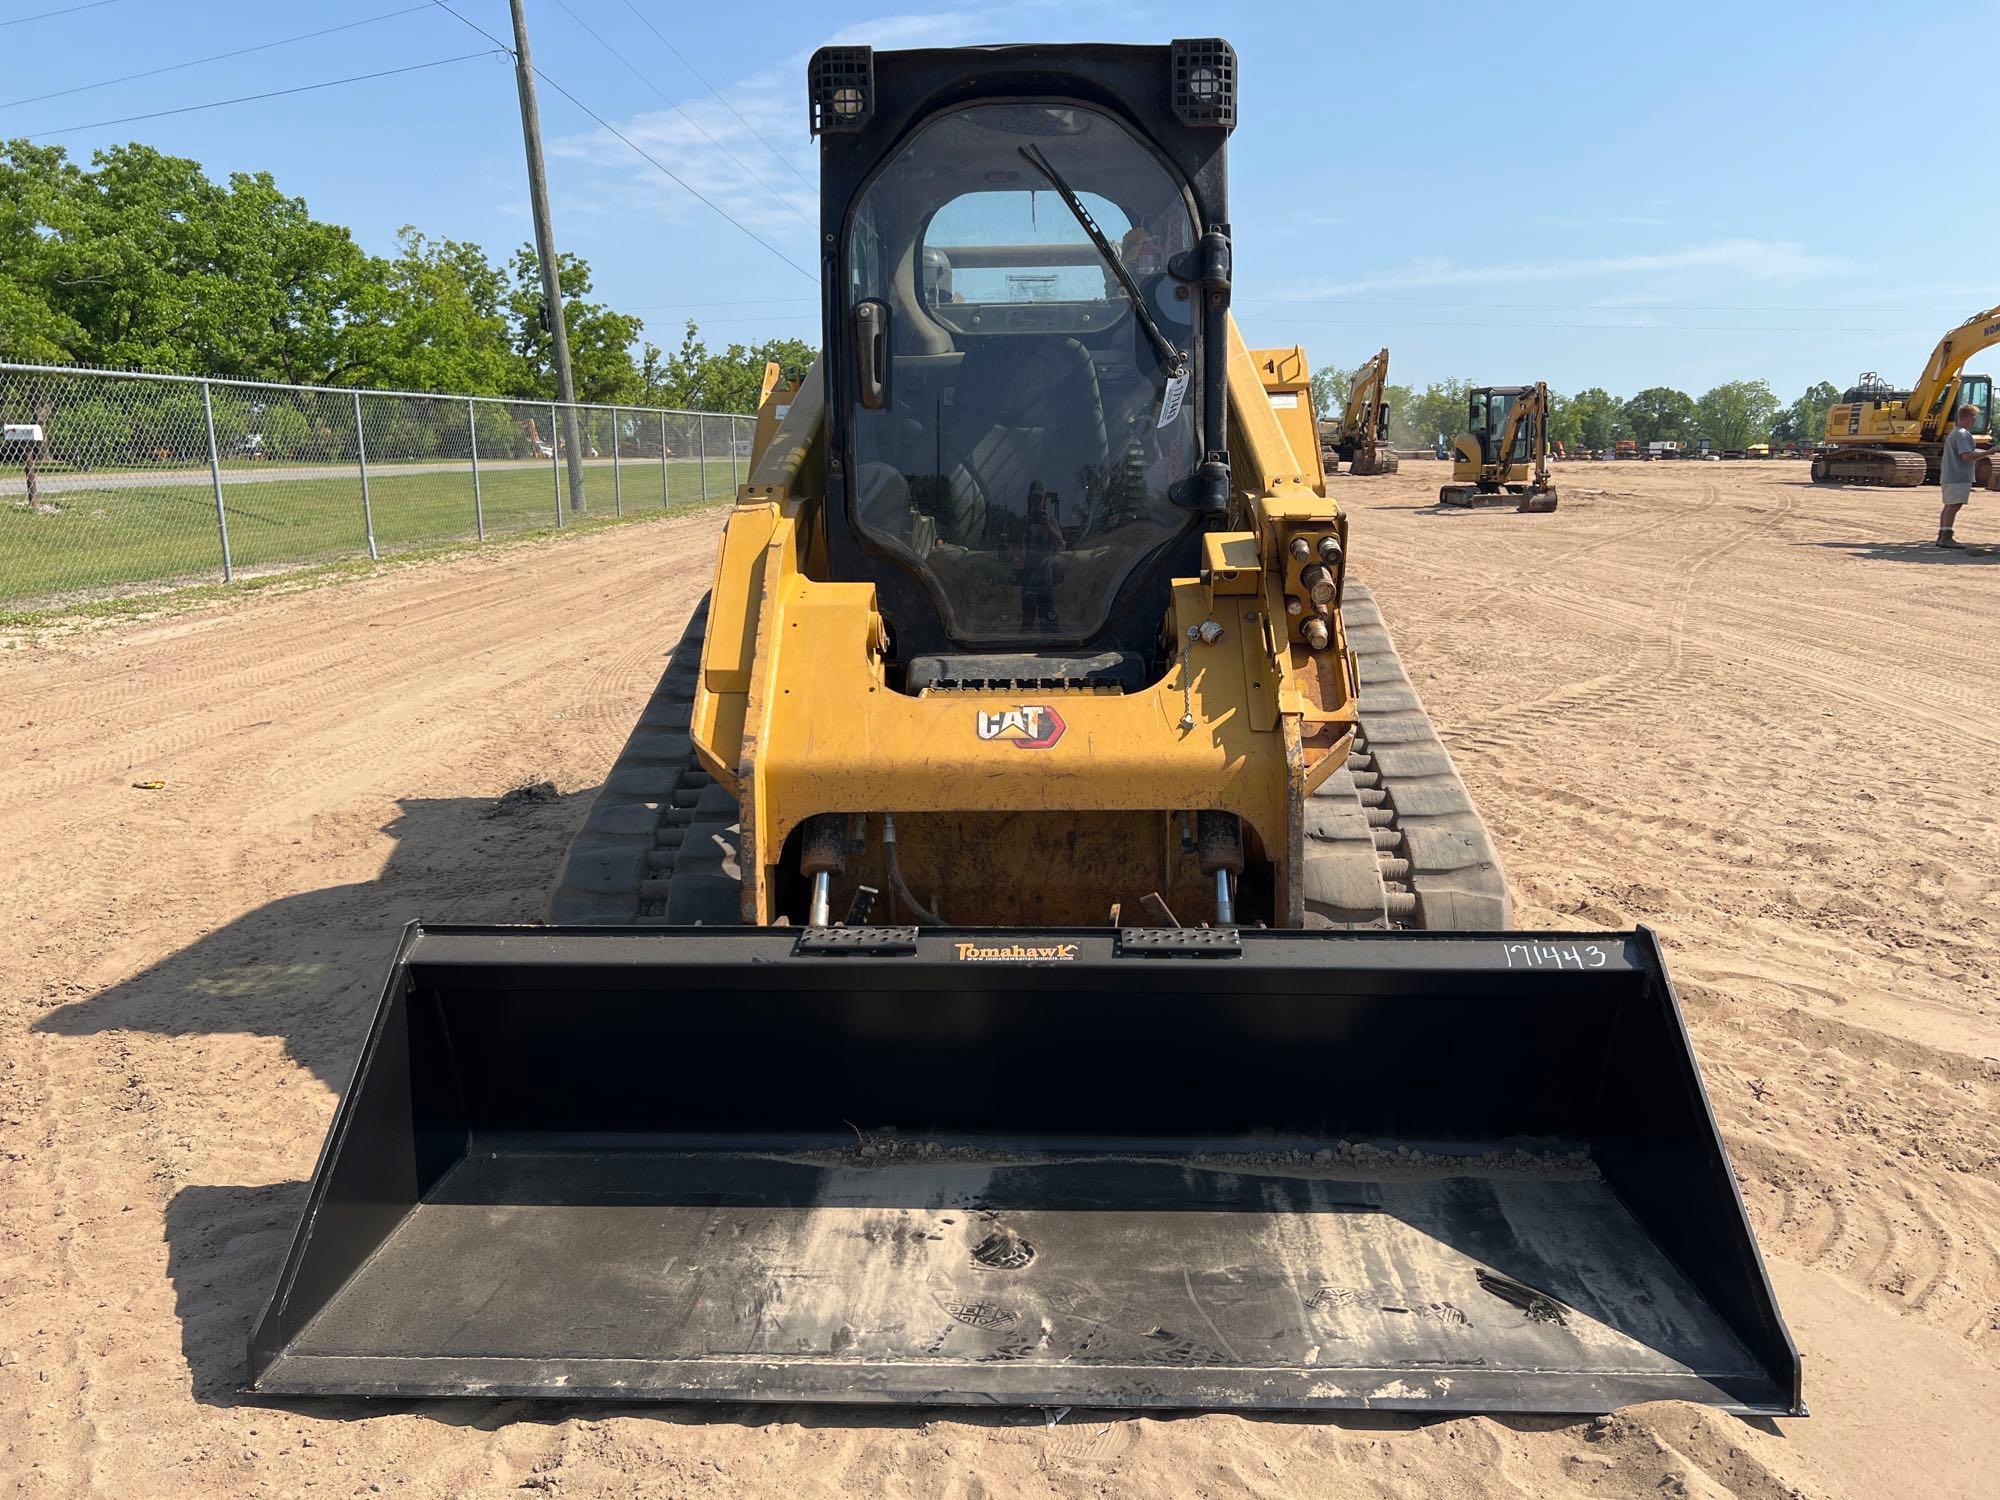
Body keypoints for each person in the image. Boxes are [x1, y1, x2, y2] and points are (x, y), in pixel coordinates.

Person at [1936, 403, 1982, 549]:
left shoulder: (1955, 432)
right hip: (1958, 476)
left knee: (1949, 506)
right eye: (1975, 417)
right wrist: (1990, 452)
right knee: (1954, 505)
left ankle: (1942, 536)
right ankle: (1946, 538)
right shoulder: (1963, 434)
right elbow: (1967, 456)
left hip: (1951, 475)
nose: (1975, 420)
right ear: (1969, 417)